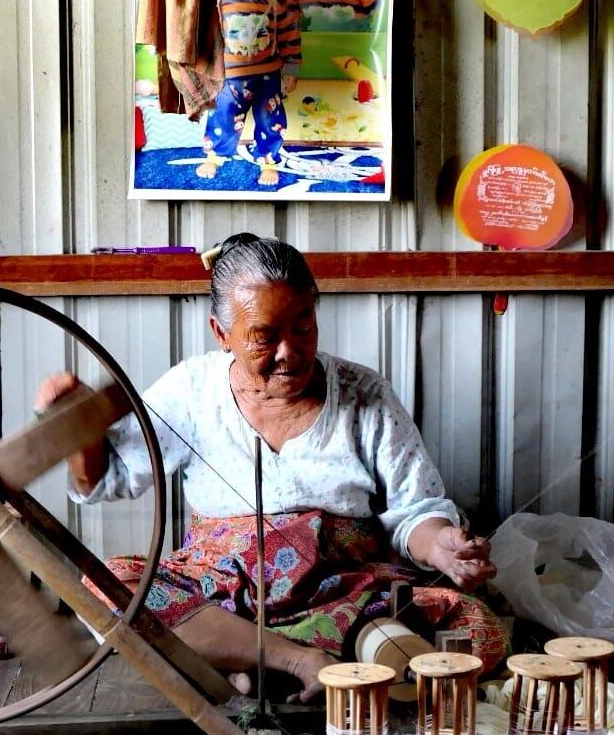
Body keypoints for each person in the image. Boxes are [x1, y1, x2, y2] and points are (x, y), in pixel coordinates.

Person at [36, 234, 505, 701]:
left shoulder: (364, 392)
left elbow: (414, 510)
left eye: (303, 327)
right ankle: (297, 661)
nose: (290, 352)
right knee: (109, 589)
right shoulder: (191, 392)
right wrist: (78, 430)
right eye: (265, 337)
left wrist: (441, 544)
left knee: (476, 628)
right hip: (221, 599)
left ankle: (240, 665)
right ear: (222, 334)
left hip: (342, 595)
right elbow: (104, 480)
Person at [196, 0, 301, 188]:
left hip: (268, 75)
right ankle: (215, 155)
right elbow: (209, 32)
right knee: (224, 114)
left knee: (271, 117)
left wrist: (291, 68)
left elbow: (291, 32)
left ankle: (268, 159)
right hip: (230, 76)